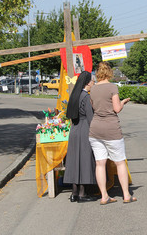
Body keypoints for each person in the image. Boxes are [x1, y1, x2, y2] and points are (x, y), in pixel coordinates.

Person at [89, 61, 136, 205]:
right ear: (109, 72)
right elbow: (116, 109)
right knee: (120, 162)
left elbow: (94, 107)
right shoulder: (112, 87)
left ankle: (104, 196)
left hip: (95, 129)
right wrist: (122, 102)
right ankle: (126, 195)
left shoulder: (93, 89)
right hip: (111, 128)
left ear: (97, 73)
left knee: (100, 163)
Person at [64, 71, 97, 203]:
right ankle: (82, 194)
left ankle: (74, 193)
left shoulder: (75, 95)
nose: (93, 83)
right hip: (84, 129)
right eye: (93, 81)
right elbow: (91, 118)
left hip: (75, 129)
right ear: (88, 83)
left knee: (74, 161)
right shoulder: (86, 97)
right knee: (84, 161)